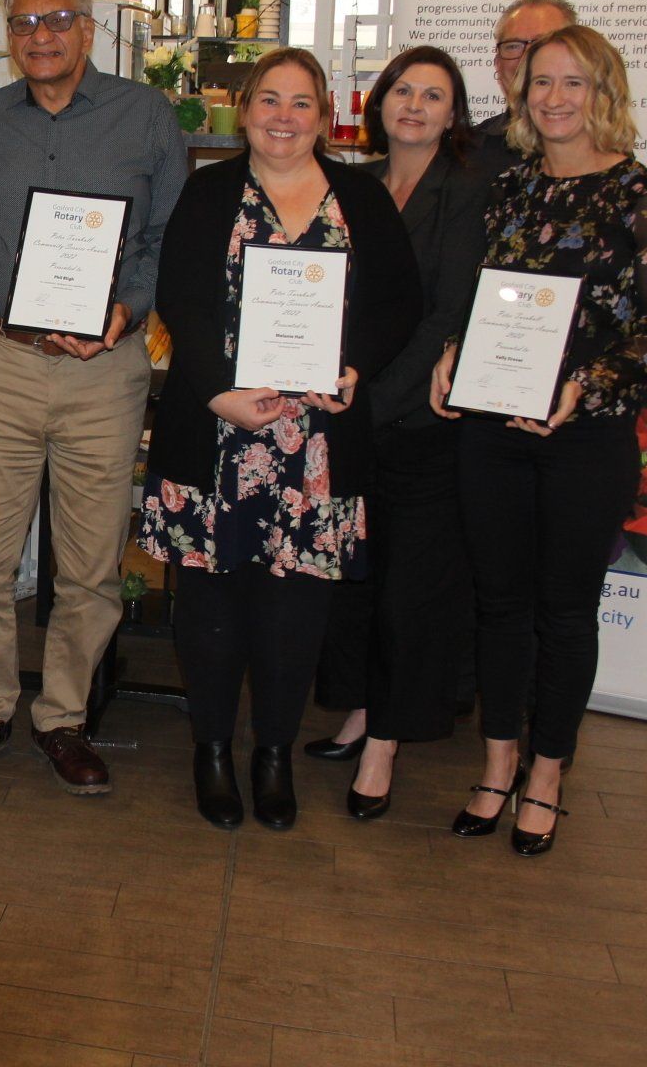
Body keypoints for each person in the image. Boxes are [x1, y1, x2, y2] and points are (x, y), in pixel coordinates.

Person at [142, 46, 421, 831]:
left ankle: (271, 753)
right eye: (269, 100)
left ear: (326, 115)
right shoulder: (208, 194)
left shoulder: (361, 199)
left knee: (295, 608)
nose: (284, 118)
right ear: (244, 109)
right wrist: (218, 393)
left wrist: (357, 367)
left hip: (320, 446)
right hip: (220, 432)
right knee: (210, 601)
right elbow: (181, 300)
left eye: (302, 103)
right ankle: (212, 750)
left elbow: (399, 301)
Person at [0, 0, 186, 797]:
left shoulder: (144, 115)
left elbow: (167, 237)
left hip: (105, 369)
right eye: (23, 23)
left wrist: (126, 311)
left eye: (58, 20)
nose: (40, 36)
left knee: (89, 565)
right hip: (2, 361)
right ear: (9, 35)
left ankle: (64, 716)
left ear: (89, 29)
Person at [431, 25, 647, 856]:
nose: (553, 98)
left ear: (602, 92)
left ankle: (548, 773)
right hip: (493, 429)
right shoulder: (512, 191)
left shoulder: (644, 193)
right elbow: (486, 302)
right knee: (499, 604)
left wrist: (584, 388)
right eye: (541, 82)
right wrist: (451, 355)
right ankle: (498, 764)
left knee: (566, 611)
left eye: (573, 83)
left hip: (588, 436)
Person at [301, 46, 487, 819]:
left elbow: (450, 313)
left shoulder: (468, 192)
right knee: (357, 579)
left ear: (454, 113)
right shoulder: (358, 184)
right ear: (378, 102)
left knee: (411, 588)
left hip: (416, 421)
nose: (414, 105)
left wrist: (373, 398)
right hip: (350, 407)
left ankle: (387, 742)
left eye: (433, 95)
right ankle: (362, 707)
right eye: (403, 90)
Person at [473, 0, 576, 176]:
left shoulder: (599, 150)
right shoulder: (468, 150)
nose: (527, 57)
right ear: (498, 63)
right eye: (513, 45)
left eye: (542, 43)